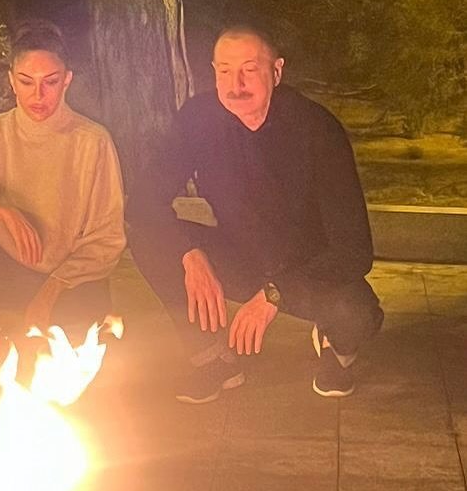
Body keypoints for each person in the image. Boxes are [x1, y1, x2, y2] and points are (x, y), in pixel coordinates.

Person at [127, 24, 384, 404]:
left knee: (356, 313)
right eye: (225, 71)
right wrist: (190, 254)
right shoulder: (199, 119)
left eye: (249, 69)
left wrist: (275, 294)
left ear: (276, 71)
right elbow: (143, 202)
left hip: (309, 270)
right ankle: (212, 359)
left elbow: (354, 251)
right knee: (150, 238)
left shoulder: (316, 129)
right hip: (240, 255)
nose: (236, 85)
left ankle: (335, 349)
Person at [0, 19, 126, 351]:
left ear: (67, 80)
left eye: (50, 82)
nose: (38, 95)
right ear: (11, 81)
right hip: (8, 273)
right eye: (26, 81)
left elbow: (107, 240)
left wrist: (50, 293)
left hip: (69, 283)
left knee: (68, 349)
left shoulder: (92, 142)